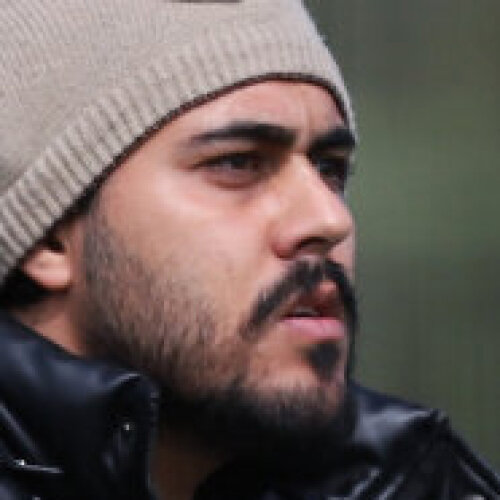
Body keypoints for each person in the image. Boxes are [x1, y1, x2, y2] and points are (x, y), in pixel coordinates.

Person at [0, 1, 498, 499]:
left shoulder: (416, 484)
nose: (331, 220)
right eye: (237, 163)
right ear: (50, 237)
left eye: (329, 169)